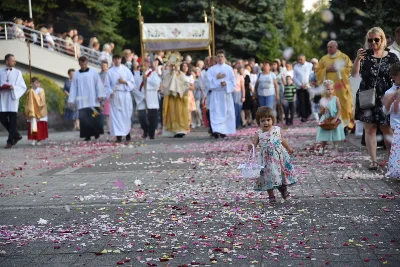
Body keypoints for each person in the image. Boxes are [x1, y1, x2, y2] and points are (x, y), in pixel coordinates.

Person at [352, 27, 400, 170]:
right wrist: (357, 59)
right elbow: (354, 74)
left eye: (376, 39)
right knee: (370, 128)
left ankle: (393, 160)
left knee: (387, 128)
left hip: (386, 96)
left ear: (382, 39)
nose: (373, 42)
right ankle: (373, 161)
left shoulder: (392, 56)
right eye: (370, 40)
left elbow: (397, 75)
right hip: (368, 95)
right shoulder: (364, 55)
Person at [248, 106, 296, 204]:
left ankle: (283, 189)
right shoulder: (258, 133)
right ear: (258, 122)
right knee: (268, 176)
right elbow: (254, 143)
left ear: (273, 120)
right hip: (266, 160)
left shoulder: (276, 130)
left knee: (281, 175)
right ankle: (271, 195)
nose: (266, 123)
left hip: (278, 158)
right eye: (262, 120)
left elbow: (282, 140)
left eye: (268, 120)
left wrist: (289, 148)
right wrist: (251, 146)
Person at [316, 40, 354, 129]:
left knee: (344, 104)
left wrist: (339, 69)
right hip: (328, 89)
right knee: (329, 106)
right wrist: (326, 70)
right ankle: (330, 124)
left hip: (341, 87)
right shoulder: (323, 59)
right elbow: (317, 72)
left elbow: (351, 69)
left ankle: (345, 126)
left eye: (331, 47)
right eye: (328, 47)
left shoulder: (344, 57)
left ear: (336, 47)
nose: (329, 49)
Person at [104, 55, 142, 143]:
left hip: (125, 95)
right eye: (115, 59)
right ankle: (119, 136)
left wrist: (124, 82)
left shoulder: (126, 70)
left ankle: (127, 132)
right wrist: (110, 92)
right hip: (116, 95)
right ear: (113, 60)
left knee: (126, 114)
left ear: (121, 59)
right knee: (116, 116)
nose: (117, 60)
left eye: (119, 59)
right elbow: (106, 85)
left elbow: (132, 82)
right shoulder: (110, 72)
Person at [68, 56, 106, 141]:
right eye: (81, 64)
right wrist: (71, 100)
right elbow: (73, 88)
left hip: (93, 99)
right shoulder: (76, 74)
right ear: (79, 64)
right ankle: (87, 135)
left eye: (84, 63)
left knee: (95, 117)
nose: (83, 65)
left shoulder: (93, 72)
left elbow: (98, 84)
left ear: (87, 62)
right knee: (84, 118)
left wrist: (100, 95)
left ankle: (96, 133)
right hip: (82, 101)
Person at [206, 50, 236, 138]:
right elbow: (208, 82)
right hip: (216, 94)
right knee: (216, 112)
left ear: (225, 58)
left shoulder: (229, 69)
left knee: (226, 111)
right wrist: (217, 79)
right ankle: (216, 130)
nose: (220, 58)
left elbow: (233, 81)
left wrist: (226, 83)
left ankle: (224, 130)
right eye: (218, 56)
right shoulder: (211, 69)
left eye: (221, 56)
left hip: (225, 93)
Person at [0, 54, 27, 149]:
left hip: (12, 99)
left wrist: (13, 87)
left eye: (14, 60)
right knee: (2, 118)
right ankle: (16, 134)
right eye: (12, 60)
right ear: (7, 61)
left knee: (12, 122)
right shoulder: (0, 72)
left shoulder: (18, 73)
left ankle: (10, 142)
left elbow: (23, 87)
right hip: (2, 99)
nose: (14, 62)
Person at [161, 53, 191, 138]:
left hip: (179, 98)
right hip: (170, 98)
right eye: (172, 66)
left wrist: (179, 89)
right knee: (171, 113)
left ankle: (180, 129)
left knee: (180, 113)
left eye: (175, 65)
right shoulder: (167, 75)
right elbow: (165, 85)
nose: (174, 67)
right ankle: (171, 130)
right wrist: (169, 89)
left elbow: (186, 85)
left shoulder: (181, 75)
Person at [316, 80, 345, 156]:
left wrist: (336, 118)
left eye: (332, 89)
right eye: (328, 89)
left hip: (334, 118)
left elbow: (339, 109)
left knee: (335, 134)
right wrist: (323, 109)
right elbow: (321, 111)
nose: (330, 91)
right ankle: (322, 148)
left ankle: (335, 149)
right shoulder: (323, 100)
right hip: (326, 118)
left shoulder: (336, 98)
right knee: (324, 133)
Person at [137, 58, 162, 139]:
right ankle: (145, 130)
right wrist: (141, 96)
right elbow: (134, 87)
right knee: (142, 116)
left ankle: (151, 133)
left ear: (148, 64)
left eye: (145, 63)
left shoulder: (153, 73)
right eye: (141, 64)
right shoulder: (136, 74)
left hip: (151, 97)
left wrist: (147, 79)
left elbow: (157, 83)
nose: (143, 65)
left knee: (152, 117)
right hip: (141, 98)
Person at [383, 63, 400, 178]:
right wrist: (390, 101)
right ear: (393, 76)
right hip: (398, 127)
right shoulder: (389, 92)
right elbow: (385, 111)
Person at [25, 77, 48, 146]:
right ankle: (33, 138)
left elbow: (42, 101)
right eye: (36, 83)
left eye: (39, 83)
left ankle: (39, 139)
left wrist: (34, 95)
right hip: (32, 111)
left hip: (39, 111)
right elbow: (28, 101)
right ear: (32, 83)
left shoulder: (41, 90)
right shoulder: (29, 91)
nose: (38, 84)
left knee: (39, 126)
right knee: (33, 125)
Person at [293, 55, 313, 122]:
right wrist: (300, 84)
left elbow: (311, 75)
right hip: (300, 86)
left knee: (307, 101)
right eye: (299, 59)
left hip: (307, 86)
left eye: (301, 59)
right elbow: (294, 77)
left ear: (304, 59)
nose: (299, 61)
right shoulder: (296, 66)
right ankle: (303, 116)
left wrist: (307, 84)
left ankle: (308, 114)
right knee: (301, 102)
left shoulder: (309, 65)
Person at [99, 61, 111, 134]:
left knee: (108, 113)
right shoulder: (99, 75)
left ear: (107, 66)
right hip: (101, 95)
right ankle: (104, 128)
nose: (103, 67)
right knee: (102, 113)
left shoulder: (109, 74)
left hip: (108, 95)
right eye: (102, 65)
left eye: (105, 65)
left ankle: (110, 128)